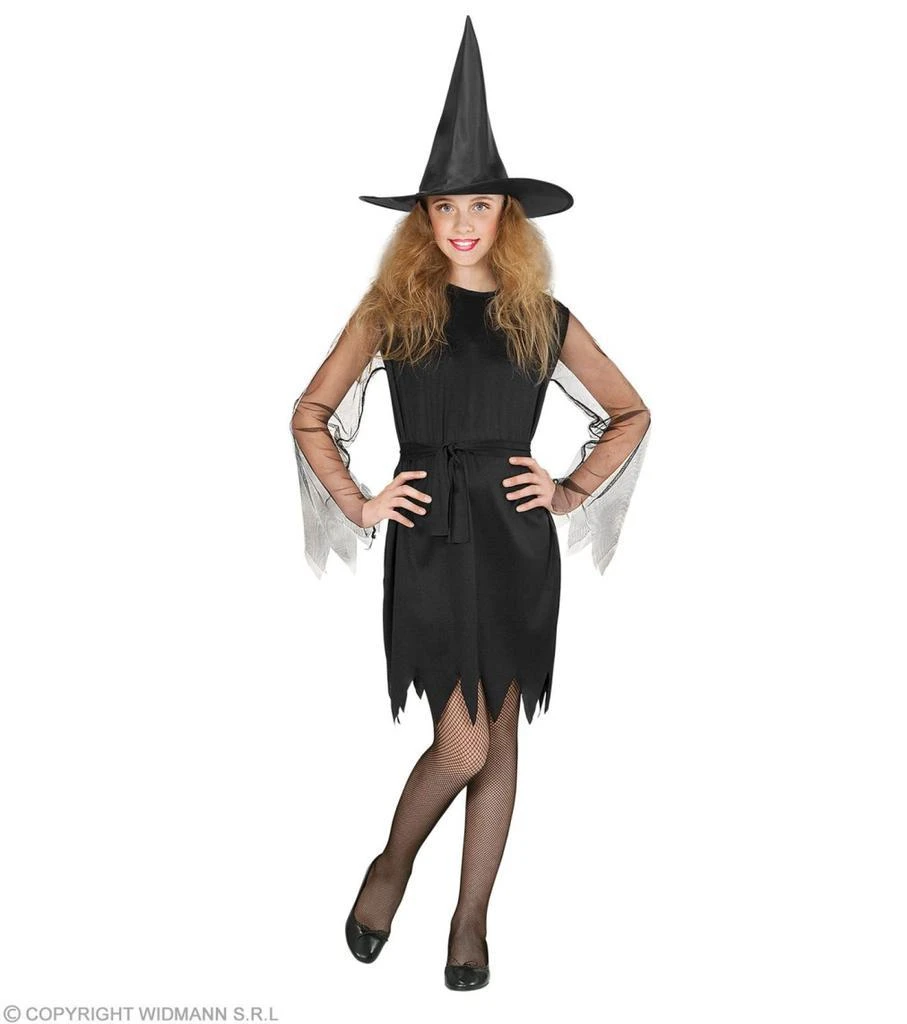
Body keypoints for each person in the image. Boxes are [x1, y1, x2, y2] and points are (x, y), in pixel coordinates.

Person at [289, 18, 651, 991]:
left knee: (501, 734)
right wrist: (361, 503)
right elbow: (311, 412)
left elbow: (630, 410)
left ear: (505, 215)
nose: (461, 222)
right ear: (425, 216)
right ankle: (391, 865)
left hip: (514, 539)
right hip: (431, 537)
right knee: (464, 740)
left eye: (479, 204)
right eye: (446, 205)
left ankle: (470, 917)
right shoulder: (391, 311)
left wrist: (568, 488)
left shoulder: (541, 317)